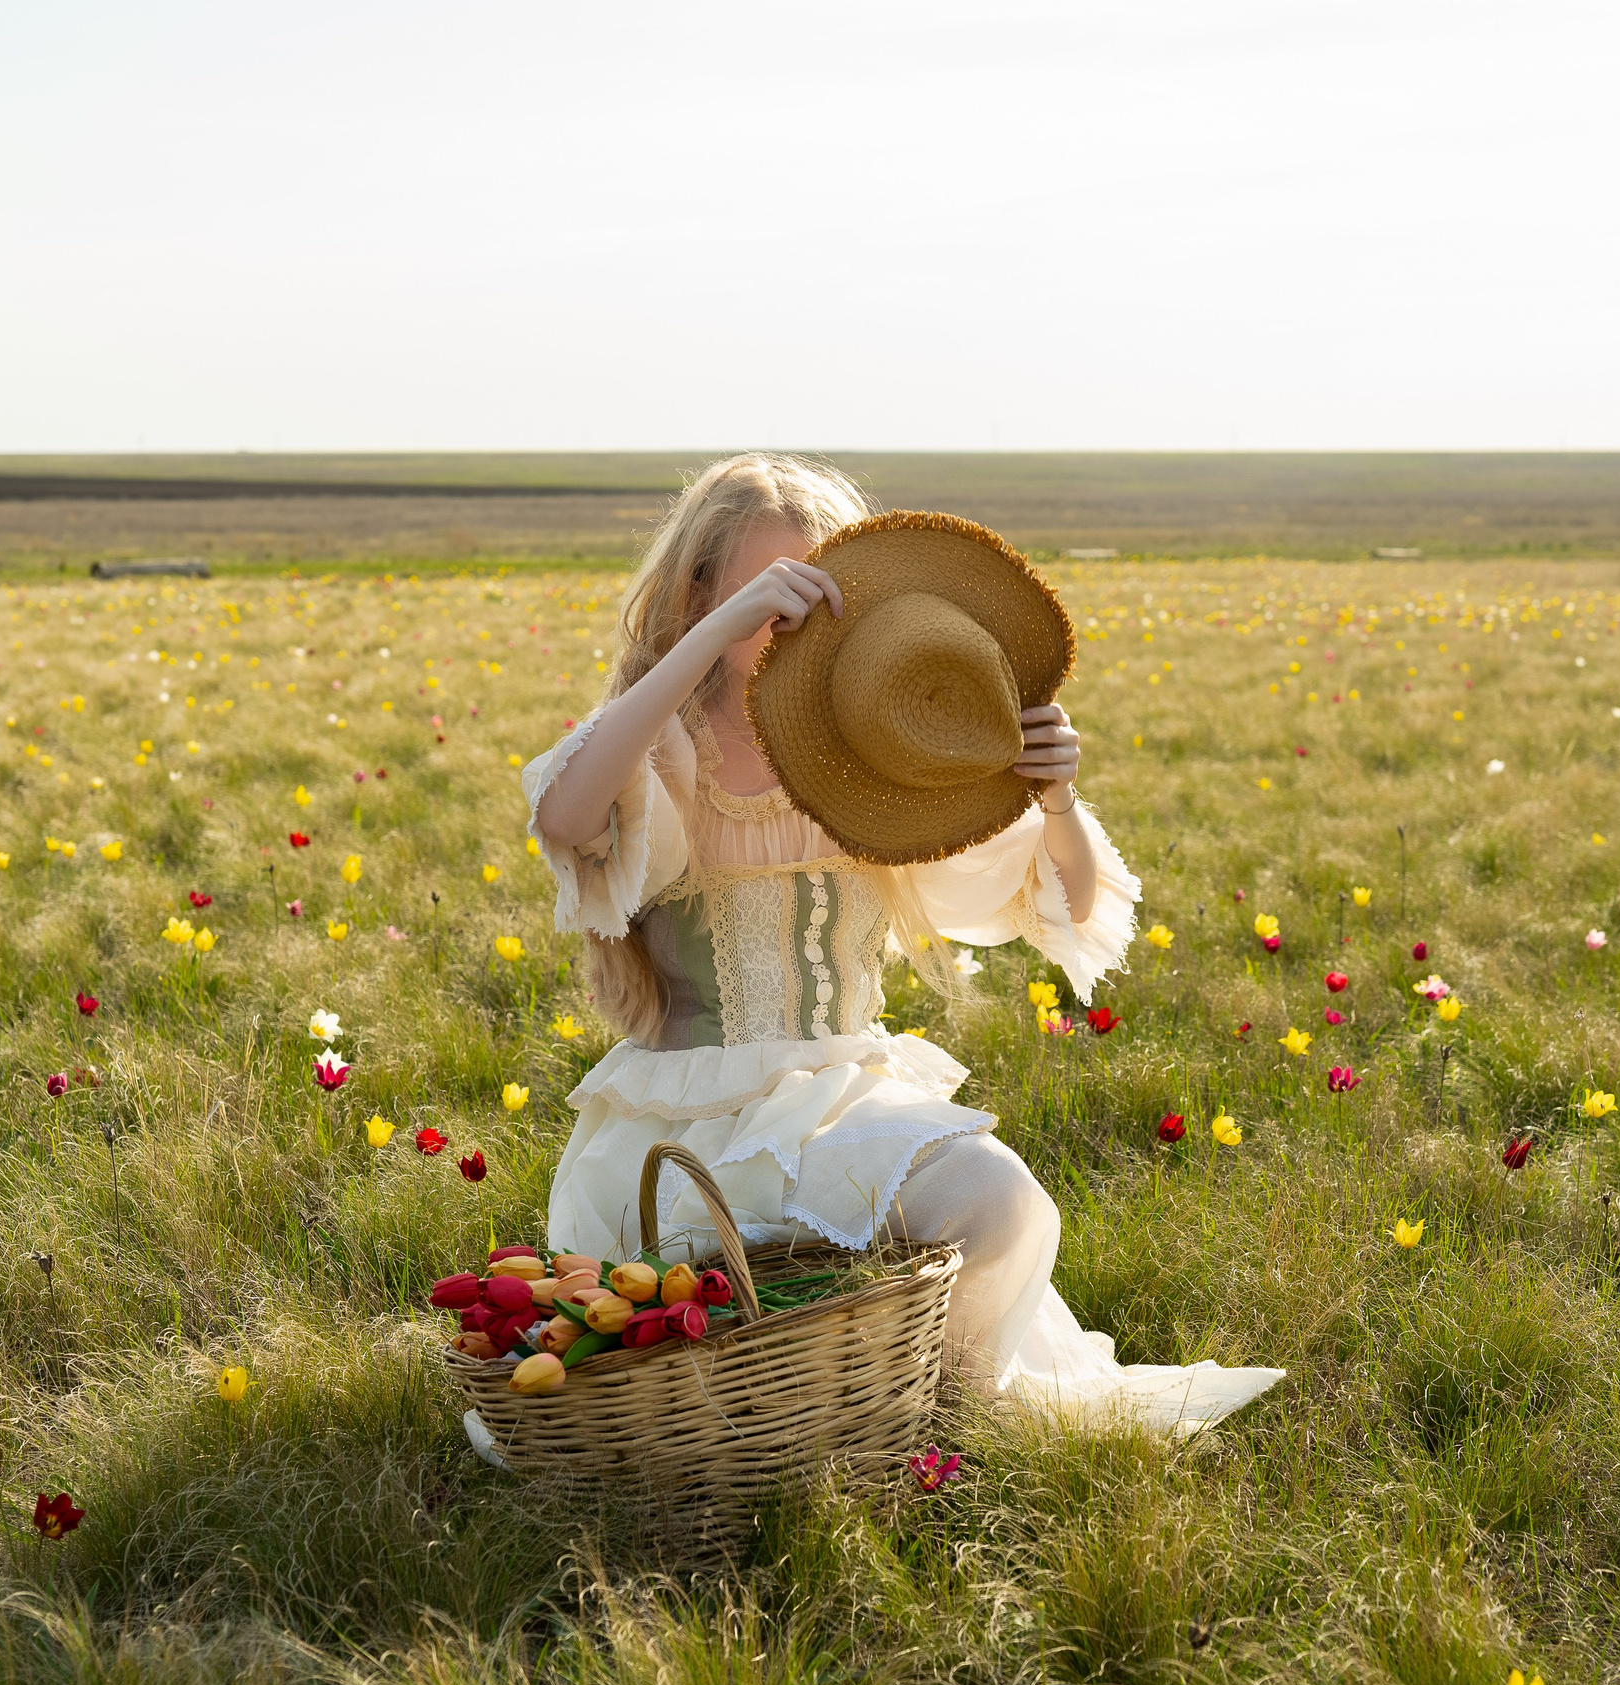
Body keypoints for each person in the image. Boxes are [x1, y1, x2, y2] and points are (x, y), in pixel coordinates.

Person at [516, 452, 1282, 1435]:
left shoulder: (870, 752)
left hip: (842, 1102)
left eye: (810, 595)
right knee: (714, 1332)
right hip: (690, 1124)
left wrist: (1057, 799)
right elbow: (568, 818)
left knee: (1004, 1204)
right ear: (700, 589)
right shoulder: (660, 745)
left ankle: (938, 1428)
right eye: (757, 594)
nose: (782, 625)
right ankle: (849, 1432)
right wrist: (708, 640)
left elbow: (1065, 895)